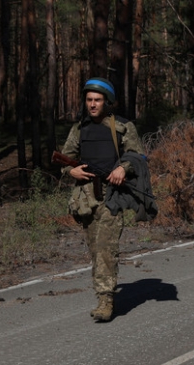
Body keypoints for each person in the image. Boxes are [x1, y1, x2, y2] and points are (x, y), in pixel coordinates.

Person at [62, 77, 153, 322]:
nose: (92, 104)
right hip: (86, 198)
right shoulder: (79, 129)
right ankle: (103, 293)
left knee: (105, 248)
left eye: (98, 100)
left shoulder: (122, 126)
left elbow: (137, 155)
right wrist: (71, 171)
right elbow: (65, 157)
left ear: (107, 102)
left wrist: (123, 168)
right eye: (89, 100)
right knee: (95, 249)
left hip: (112, 196)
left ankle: (105, 300)